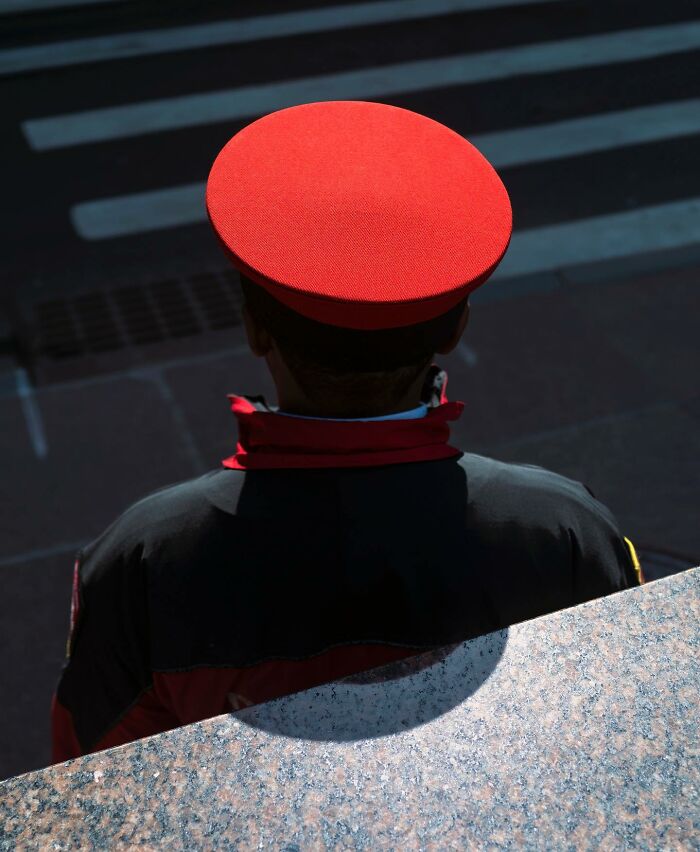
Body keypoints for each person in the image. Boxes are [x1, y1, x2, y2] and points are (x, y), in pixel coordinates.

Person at [51, 100, 643, 762]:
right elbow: (620, 742)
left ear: (254, 328)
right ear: (455, 328)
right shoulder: (563, 531)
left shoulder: (142, 562)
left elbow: (88, 789)